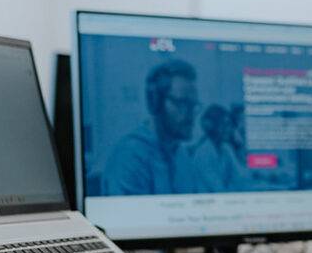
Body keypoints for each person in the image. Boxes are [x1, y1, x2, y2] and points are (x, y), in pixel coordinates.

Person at [101, 59, 200, 196]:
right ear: (155, 103)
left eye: (194, 105)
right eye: (182, 103)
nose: (191, 115)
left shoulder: (181, 154)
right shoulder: (130, 156)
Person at [189, 103, 241, 192]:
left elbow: (238, 179)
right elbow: (218, 189)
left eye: (229, 125)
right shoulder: (203, 153)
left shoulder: (226, 149)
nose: (229, 129)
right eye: (224, 125)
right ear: (211, 127)